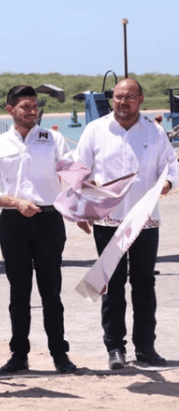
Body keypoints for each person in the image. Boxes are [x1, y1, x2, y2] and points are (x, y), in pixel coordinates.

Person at [75, 78, 178, 369]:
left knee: (144, 284)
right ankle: (114, 348)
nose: (122, 102)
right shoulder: (95, 130)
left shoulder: (155, 132)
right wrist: (84, 207)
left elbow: (172, 167)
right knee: (112, 285)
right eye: (118, 97)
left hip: (145, 222)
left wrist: (168, 184)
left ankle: (145, 347)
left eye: (129, 97)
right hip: (108, 222)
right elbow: (78, 170)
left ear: (141, 99)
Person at [0, 85, 76, 374]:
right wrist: (15, 203)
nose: (33, 111)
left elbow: (71, 172)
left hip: (48, 220)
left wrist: (91, 196)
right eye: (25, 107)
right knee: (19, 292)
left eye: (35, 106)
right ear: (10, 110)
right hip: (13, 221)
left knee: (51, 291)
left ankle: (60, 354)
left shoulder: (53, 139)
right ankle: (19, 354)